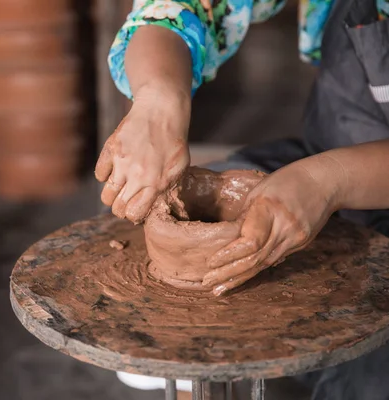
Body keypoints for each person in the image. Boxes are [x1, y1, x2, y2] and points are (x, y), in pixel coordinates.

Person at [97, 0, 389, 399]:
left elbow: (326, 180)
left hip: (350, 173)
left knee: (370, 376)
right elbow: (180, 8)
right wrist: (159, 98)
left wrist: (331, 181)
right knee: (188, 330)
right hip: (331, 147)